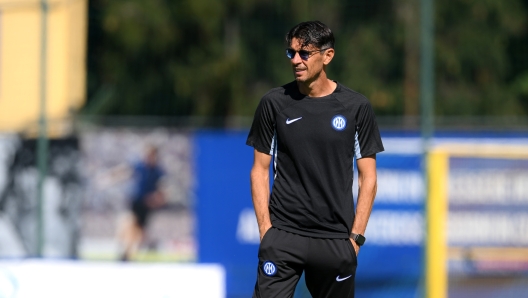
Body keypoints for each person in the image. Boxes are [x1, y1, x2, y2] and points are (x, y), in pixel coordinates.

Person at [246, 20, 384, 297]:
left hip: (334, 240)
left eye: (304, 53)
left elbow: (368, 177)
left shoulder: (356, 107)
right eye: (291, 53)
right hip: (283, 237)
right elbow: (259, 170)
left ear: (327, 55)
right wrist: (266, 231)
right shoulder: (273, 103)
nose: (296, 60)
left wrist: (354, 239)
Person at [119, 145, 166, 261]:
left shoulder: (158, 171)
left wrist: (156, 199)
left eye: (150, 155)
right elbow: (124, 171)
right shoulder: (139, 166)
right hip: (136, 201)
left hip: (146, 205)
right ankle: (127, 252)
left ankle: (130, 253)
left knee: (140, 232)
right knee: (130, 225)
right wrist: (109, 177)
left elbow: (162, 190)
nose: (147, 157)